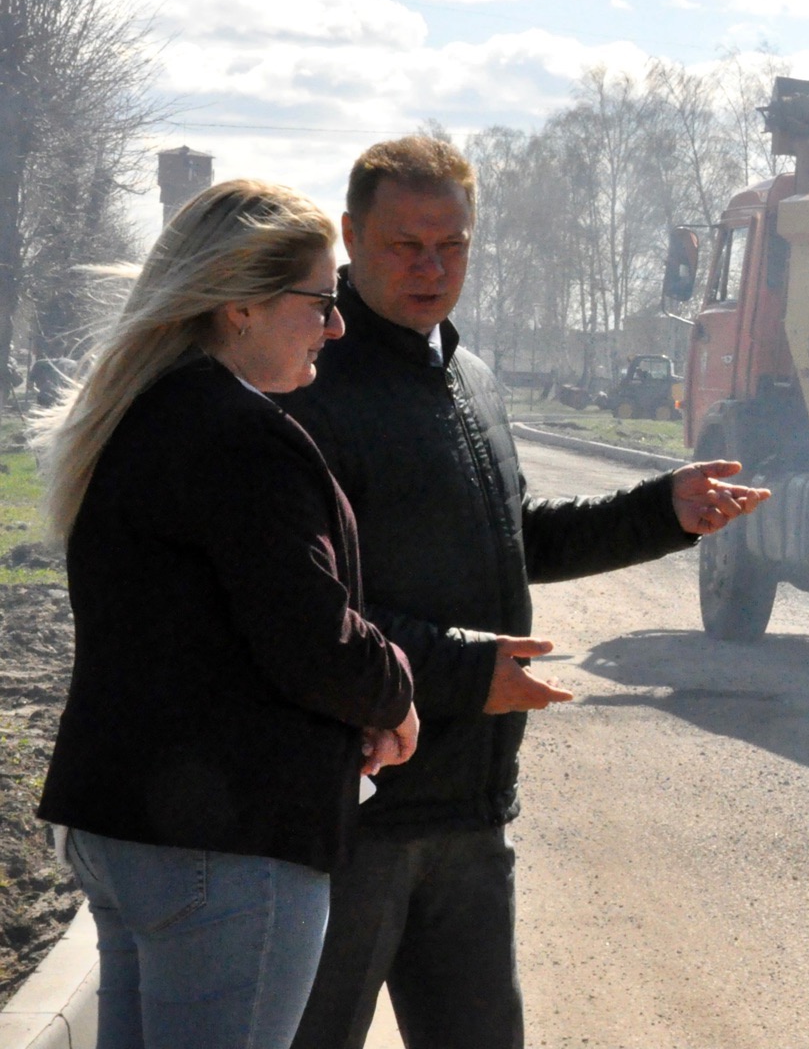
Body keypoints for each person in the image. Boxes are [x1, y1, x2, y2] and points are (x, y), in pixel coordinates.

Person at [281, 136, 767, 1049]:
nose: (432, 267)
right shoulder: (311, 387)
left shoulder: (471, 381)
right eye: (405, 244)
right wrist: (466, 675)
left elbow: (518, 539)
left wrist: (663, 511)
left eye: (452, 245)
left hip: (471, 814)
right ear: (349, 235)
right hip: (354, 818)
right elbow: (306, 612)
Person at [35, 180, 420, 1049]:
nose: (338, 325)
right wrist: (394, 693)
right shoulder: (241, 437)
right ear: (241, 304)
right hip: (229, 845)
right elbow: (312, 639)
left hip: (130, 828)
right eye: (322, 300)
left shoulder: (137, 417)